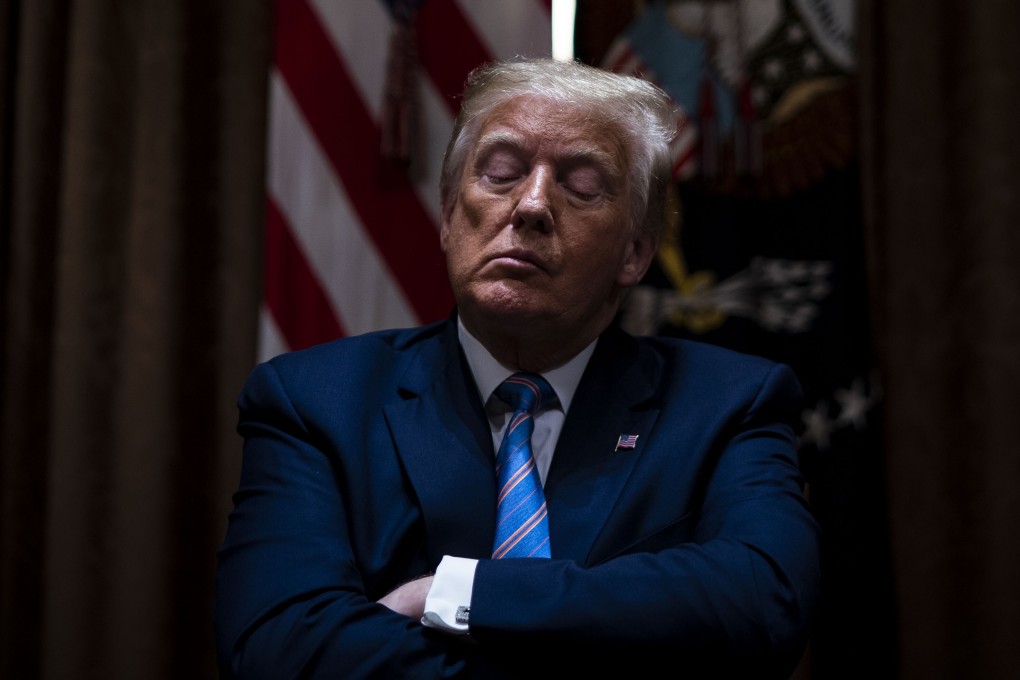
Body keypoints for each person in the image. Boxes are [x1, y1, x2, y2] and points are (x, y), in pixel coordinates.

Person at [215, 57, 821, 678]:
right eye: (501, 174)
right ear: (448, 216)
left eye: (581, 187)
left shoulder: (728, 403)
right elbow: (276, 645)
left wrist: (463, 594)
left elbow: (764, 601)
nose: (531, 205)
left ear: (635, 252)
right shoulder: (314, 400)